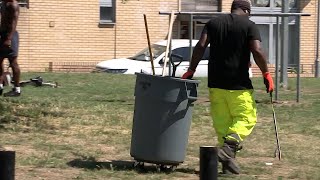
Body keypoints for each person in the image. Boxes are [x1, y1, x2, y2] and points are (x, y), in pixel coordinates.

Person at [181, 0, 274, 174]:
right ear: (246, 11)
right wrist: (266, 74)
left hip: (215, 84)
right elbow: (257, 50)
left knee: (223, 125)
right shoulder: (249, 25)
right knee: (246, 118)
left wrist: (191, 69)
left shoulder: (213, 23)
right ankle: (228, 149)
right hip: (238, 85)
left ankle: (228, 167)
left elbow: (201, 46)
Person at [0, 0, 20, 97]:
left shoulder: (13, 5)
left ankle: (17, 89)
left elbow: (14, 23)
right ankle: (0, 85)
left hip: (10, 36)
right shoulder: (3, 3)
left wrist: (9, 38)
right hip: (2, 34)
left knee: (13, 62)